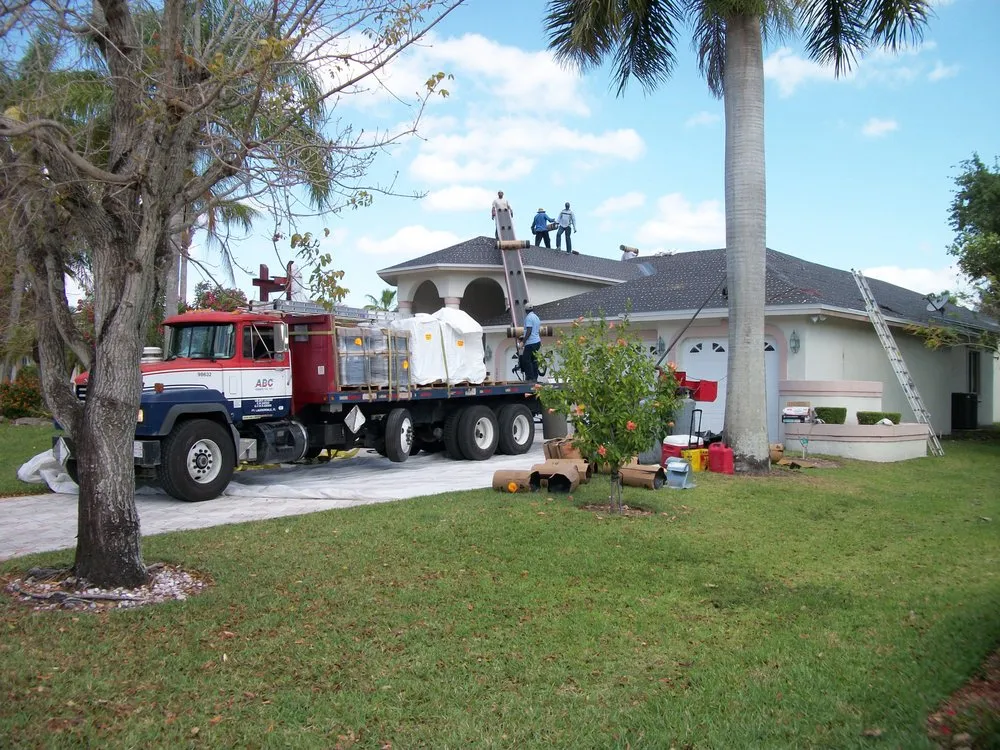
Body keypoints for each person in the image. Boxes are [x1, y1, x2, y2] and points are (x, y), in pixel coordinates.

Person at [520, 303, 542, 382]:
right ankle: (535, 378)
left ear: (526, 310)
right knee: (534, 360)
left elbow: (529, 331)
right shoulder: (536, 317)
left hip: (531, 342)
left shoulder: (528, 318)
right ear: (532, 309)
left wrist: (523, 342)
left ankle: (530, 377)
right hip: (537, 342)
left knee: (526, 359)